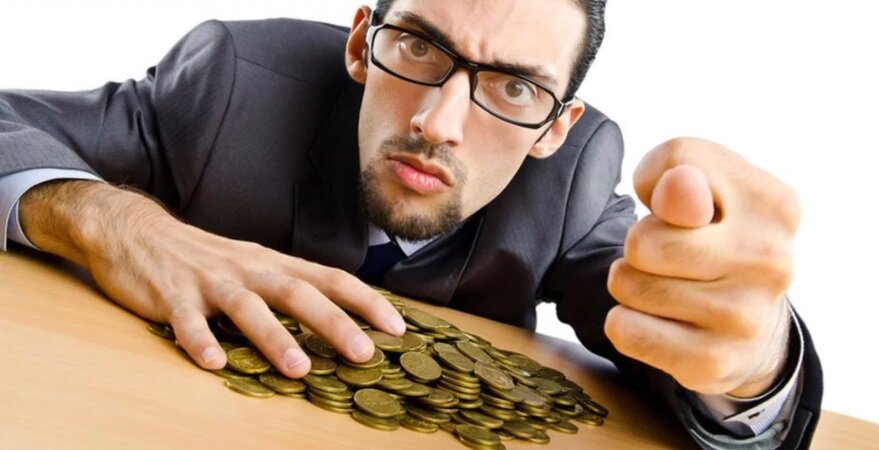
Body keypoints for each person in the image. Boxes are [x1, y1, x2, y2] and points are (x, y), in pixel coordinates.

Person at [0, 0, 821, 448]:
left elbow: (667, 325)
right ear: (362, 43)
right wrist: (116, 222)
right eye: (420, 48)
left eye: (513, 89)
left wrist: (753, 364)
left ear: (553, 130)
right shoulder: (233, 84)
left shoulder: (570, 184)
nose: (439, 124)